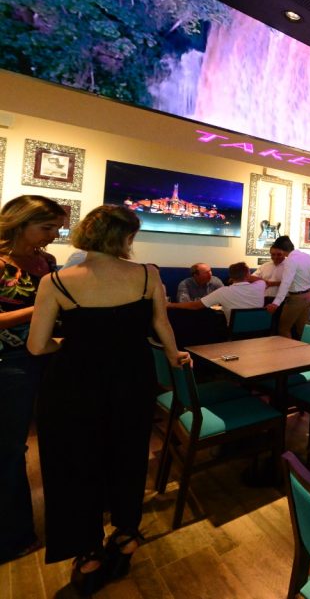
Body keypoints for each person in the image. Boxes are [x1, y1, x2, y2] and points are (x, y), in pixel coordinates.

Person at [28, 205, 190, 594]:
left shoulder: (55, 280)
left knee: (75, 462)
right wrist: (174, 355)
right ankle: (127, 533)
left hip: (74, 383)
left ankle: (87, 553)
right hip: (132, 378)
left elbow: (36, 346)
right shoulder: (147, 274)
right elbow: (161, 324)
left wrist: (69, 346)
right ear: (126, 238)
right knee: (128, 454)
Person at [0, 196, 65, 564]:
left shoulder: (47, 261)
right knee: (9, 448)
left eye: (57, 228)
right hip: (10, 361)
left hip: (50, 354)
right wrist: (40, 307)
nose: (53, 235)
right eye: (47, 227)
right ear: (20, 222)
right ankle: (13, 536)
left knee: (53, 438)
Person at [167, 262, 266, 322]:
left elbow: (196, 305)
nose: (210, 274)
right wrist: (246, 275)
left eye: (210, 271)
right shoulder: (261, 285)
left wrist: (170, 305)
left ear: (231, 276)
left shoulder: (223, 291)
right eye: (206, 272)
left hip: (235, 332)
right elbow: (259, 280)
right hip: (261, 331)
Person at [266, 235, 310, 339]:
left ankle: (290, 350)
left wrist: (275, 303)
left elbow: (285, 283)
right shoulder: (308, 256)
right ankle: (306, 349)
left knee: (283, 329)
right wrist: (304, 274)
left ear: (281, 249)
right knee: (302, 328)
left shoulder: (290, 260)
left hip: (298, 298)